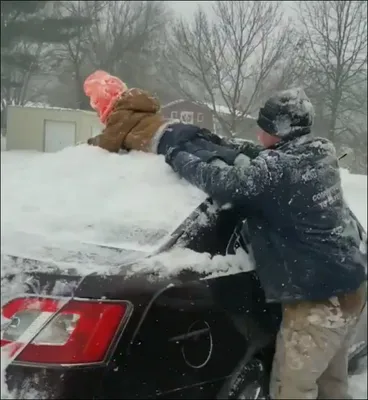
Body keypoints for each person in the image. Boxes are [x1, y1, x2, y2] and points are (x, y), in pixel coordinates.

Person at [85, 72, 367, 398]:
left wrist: (174, 152)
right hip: (350, 284)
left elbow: (221, 181)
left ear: (279, 132)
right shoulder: (319, 152)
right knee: (331, 384)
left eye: (264, 126)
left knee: (292, 388)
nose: (258, 131)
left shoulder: (278, 171)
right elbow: (260, 161)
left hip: (320, 299)